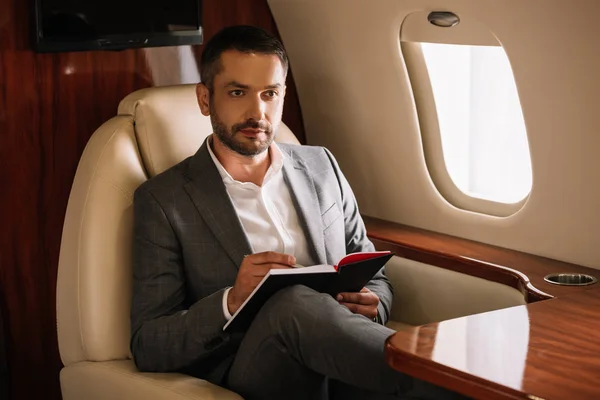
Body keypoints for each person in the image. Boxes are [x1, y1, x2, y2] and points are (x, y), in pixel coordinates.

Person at [130, 25, 465, 400]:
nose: (257, 111)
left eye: (269, 94)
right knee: (290, 303)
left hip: (339, 360)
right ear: (205, 99)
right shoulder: (163, 200)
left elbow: (375, 275)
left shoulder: (322, 166)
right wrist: (232, 300)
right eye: (237, 92)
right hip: (253, 365)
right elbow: (148, 344)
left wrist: (374, 303)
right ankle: (455, 386)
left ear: (283, 96)